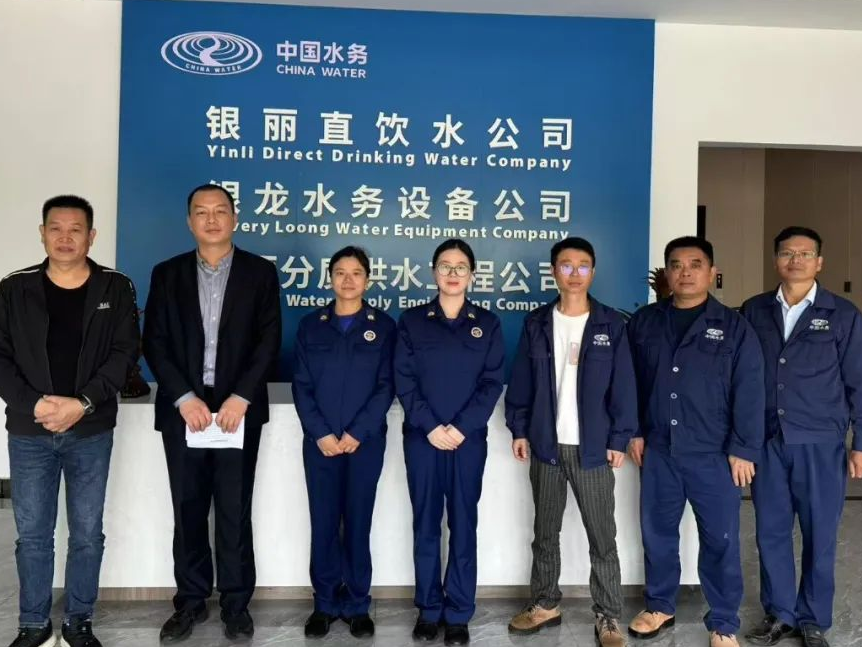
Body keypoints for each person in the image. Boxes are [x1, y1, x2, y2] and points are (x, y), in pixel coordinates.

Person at [142, 183, 281, 642]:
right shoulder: (167, 274)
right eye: (201, 212)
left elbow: (268, 340)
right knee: (188, 509)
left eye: (220, 211)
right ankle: (190, 601)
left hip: (237, 411)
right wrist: (184, 397)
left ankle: (236, 605)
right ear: (189, 221)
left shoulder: (260, 273)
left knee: (234, 510)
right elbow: (154, 341)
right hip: (185, 411)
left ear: (235, 218)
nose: (212, 219)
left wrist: (241, 396)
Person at [0, 195, 139, 647]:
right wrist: (35, 405)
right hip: (30, 431)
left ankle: (79, 621)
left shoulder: (115, 287)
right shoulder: (14, 288)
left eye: (75, 229)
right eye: (55, 228)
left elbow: (124, 354)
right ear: (42, 234)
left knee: (86, 534)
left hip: (90, 431)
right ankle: (33, 624)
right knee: (32, 536)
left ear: (91, 236)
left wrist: (82, 403)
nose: (65, 237)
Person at [626, 236, 764, 647]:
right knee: (657, 533)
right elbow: (628, 382)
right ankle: (660, 606)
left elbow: (750, 390)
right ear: (667, 273)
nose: (685, 272)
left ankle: (723, 622)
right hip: (659, 450)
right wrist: (632, 431)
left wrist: (744, 448)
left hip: (714, 455)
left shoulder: (735, 328)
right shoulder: (645, 323)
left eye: (695, 264)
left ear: (712, 272)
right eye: (676, 264)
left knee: (720, 539)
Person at [504, 237, 635, 647]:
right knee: (545, 532)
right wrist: (519, 428)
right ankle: (545, 604)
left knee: (602, 537)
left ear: (592, 272)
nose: (574, 273)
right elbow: (521, 382)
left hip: (592, 449)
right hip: (546, 445)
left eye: (582, 266)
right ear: (553, 272)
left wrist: (619, 437)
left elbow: (624, 386)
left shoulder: (611, 324)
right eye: (566, 265)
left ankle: (608, 615)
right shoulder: (537, 323)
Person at [740, 227, 862, 647]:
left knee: (820, 534)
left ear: (819, 262)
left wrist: (860, 442)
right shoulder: (754, 311)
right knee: (770, 532)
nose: (796, 260)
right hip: (767, 441)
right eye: (787, 253)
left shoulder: (842, 314)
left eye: (805, 254)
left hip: (820, 442)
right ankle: (780, 614)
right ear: (776, 260)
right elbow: (741, 377)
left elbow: (858, 381)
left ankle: (813, 618)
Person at [394, 239, 504, 646]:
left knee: (462, 524)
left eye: (461, 267)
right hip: (422, 439)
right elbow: (403, 379)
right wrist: (430, 426)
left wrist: (460, 428)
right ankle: (428, 609)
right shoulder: (412, 321)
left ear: (472, 274)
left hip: (467, 441)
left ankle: (458, 611)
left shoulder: (487, 323)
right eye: (445, 266)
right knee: (425, 524)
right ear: (433, 272)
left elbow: (492, 382)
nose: (453, 273)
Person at [292, 246, 396, 639]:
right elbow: (302, 385)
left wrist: (357, 432)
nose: (348, 280)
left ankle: (356, 604)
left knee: (357, 522)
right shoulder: (311, 326)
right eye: (340, 272)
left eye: (356, 273)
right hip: (319, 444)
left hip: (363, 444)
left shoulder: (383, 327)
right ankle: (324, 603)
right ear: (330, 278)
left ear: (367, 280)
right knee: (322, 522)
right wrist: (320, 432)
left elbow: (387, 386)